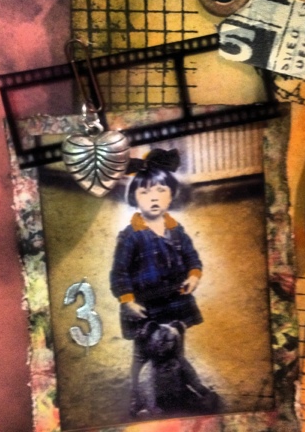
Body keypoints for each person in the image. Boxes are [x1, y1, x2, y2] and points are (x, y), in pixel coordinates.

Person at [109, 148, 204, 416]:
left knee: (175, 352)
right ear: (134, 198)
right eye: (145, 192)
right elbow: (119, 273)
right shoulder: (130, 236)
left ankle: (177, 390)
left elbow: (192, 257)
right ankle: (138, 398)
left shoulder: (176, 230)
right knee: (143, 356)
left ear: (171, 195)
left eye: (161, 191)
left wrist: (193, 275)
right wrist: (127, 301)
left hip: (175, 304)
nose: (153, 198)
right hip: (145, 309)